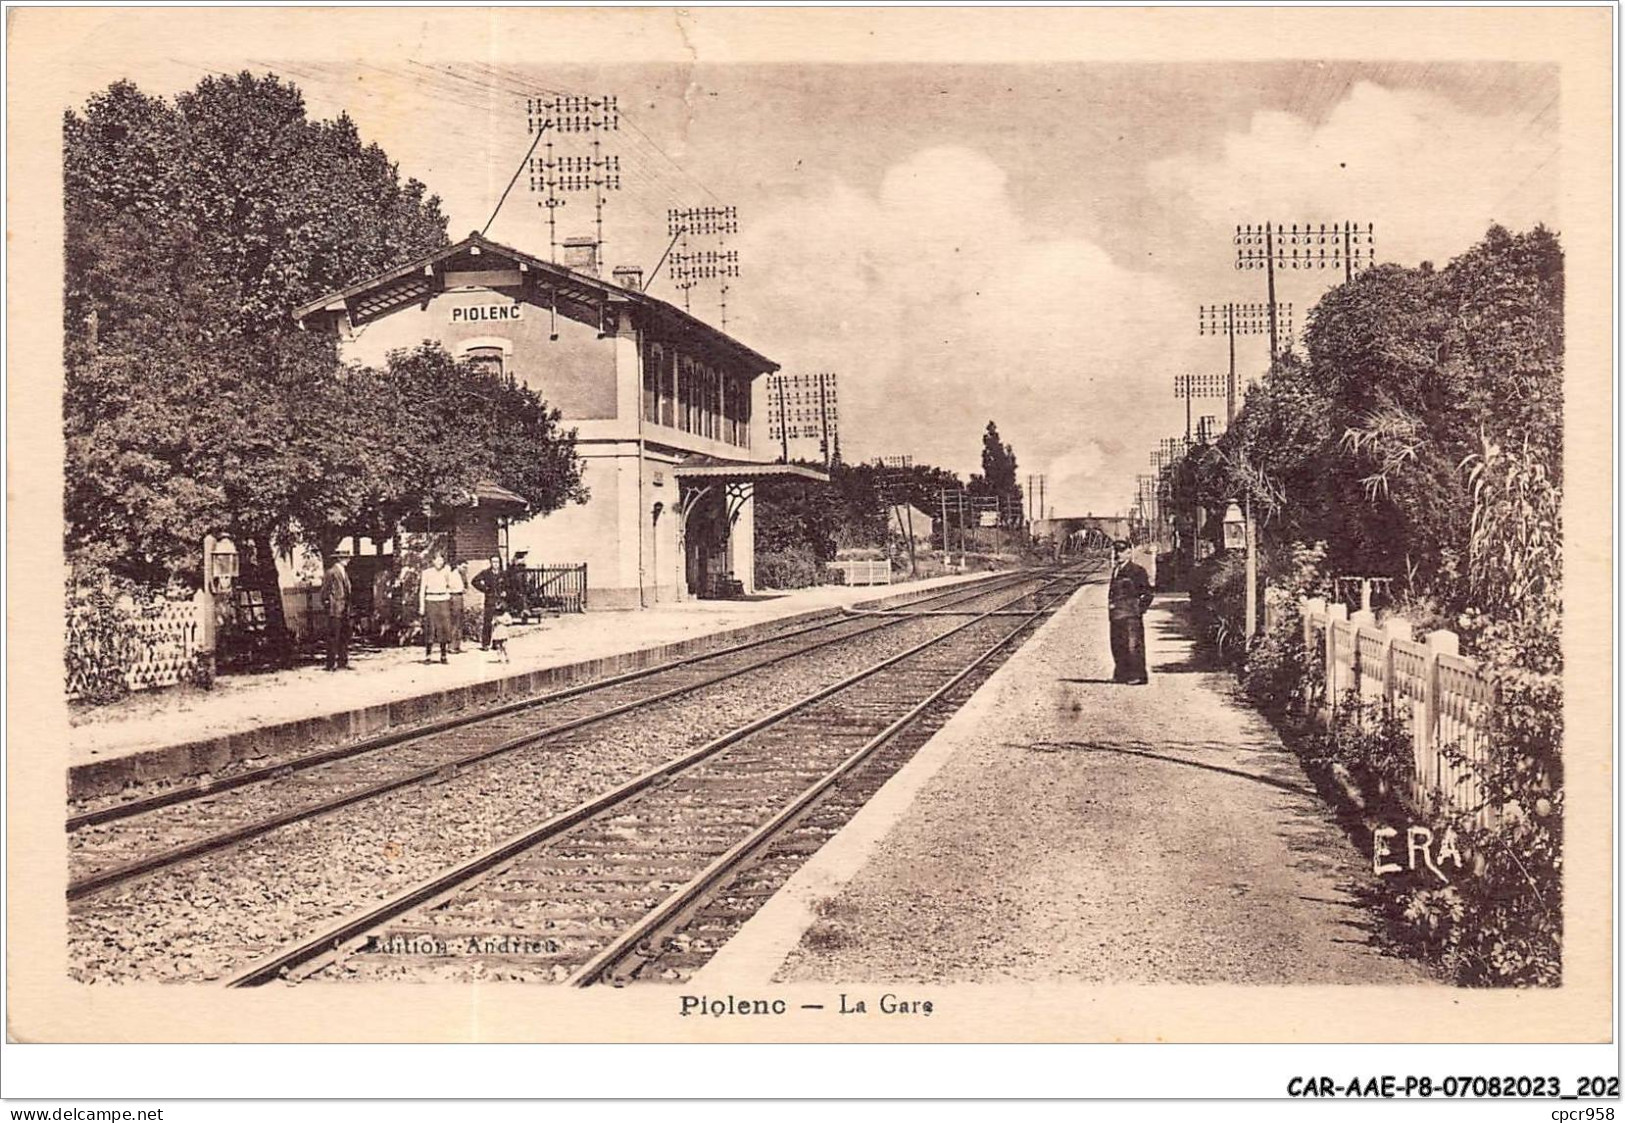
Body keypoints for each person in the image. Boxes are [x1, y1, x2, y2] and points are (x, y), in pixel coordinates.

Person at [1107, 538, 1155, 685]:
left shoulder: (1136, 570)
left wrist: (1139, 610)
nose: (1118, 555)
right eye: (1116, 551)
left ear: (1129, 553)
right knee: (1118, 644)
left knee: (1133, 645)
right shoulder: (1116, 570)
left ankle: (1138, 676)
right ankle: (1122, 674)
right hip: (1116, 614)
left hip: (1130, 614)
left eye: (1121, 552)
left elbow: (1147, 593)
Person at [419, 551, 454, 664]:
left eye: (441, 560)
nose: (439, 562)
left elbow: (451, 586)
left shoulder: (446, 572)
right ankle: (428, 655)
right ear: (433, 561)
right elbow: (422, 590)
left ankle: (443, 655)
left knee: (444, 628)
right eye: (437, 560)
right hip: (431, 601)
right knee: (431, 628)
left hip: (443, 601)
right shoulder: (426, 573)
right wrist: (422, 606)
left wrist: (447, 595)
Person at [322, 549, 353, 671]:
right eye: (345, 557)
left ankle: (343, 662)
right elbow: (325, 591)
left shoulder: (344, 572)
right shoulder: (331, 572)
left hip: (345, 608)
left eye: (348, 557)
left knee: (344, 636)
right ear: (339, 559)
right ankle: (330, 664)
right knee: (333, 636)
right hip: (335, 609)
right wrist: (329, 606)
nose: (348, 560)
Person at [470, 554, 504, 649]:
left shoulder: (503, 573)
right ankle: (485, 644)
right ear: (490, 563)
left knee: (499, 622)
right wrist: (485, 589)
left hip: (500, 601)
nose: (495, 564)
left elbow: (509, 585)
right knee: (488, 622)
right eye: (493, 562)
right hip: (490, 600)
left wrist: (505, 592)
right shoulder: (486, 573)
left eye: (497, 562)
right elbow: (474, 581)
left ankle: (496, 643)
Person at [447, 560, 467, 654]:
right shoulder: (452, 575)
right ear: (458, 566)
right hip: (454, 597)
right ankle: (451, 646)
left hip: (460, 597)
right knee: (454, 622)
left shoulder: (462, 575)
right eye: (463, 567)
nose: (465, 569)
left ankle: (457, 645)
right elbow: (450, 587)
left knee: (459, 622)